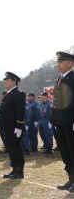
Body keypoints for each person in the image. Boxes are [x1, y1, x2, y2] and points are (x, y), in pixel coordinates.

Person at [50, 51, 74, 192]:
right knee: (65, 151)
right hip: (59, 120)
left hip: (70, 121)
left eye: (61, 62)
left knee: (73, 150)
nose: (58, 64)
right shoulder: (60, 79)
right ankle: (71, 179)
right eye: (57, 62)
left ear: (70, 63)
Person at [0, 72, 26, 179]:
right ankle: (14, 168)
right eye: (5, 80)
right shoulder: (8, 94)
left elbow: (20, 111)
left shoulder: (18, 93)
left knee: (16, 148)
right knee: (10, 148)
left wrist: (19, 125)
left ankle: (19, 171)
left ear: (14, 82)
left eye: (7, 80)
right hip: (7, 126)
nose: (5, 82)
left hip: (14, 126)